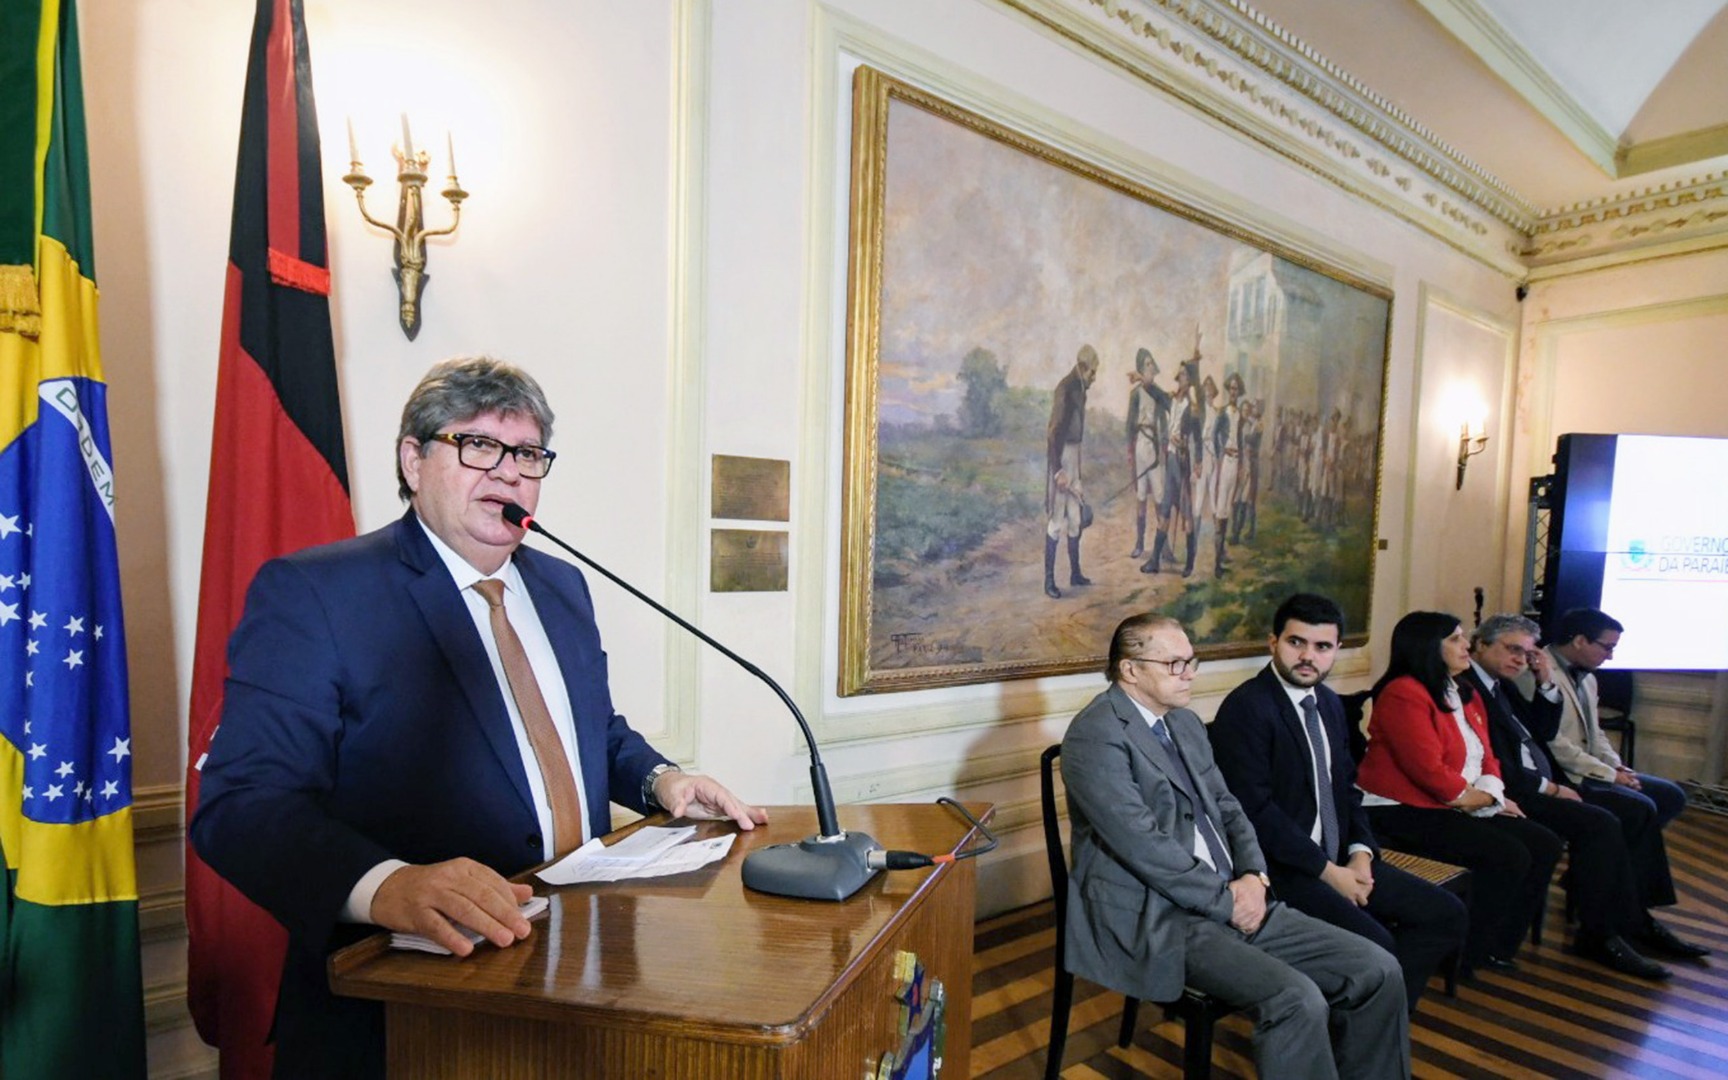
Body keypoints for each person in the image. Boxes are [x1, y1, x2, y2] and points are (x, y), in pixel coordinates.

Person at [190, 356, 767, 1077]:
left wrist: (660, 781)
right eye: (477, 446)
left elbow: (591, 727)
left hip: (574, 974)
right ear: (413, 457)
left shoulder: (561, 586)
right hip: (409, 1007)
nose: (508, 473)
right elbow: (241, 807)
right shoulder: (318, 593)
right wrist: (389, 883)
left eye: (526, 454)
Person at [1062, 613, 1409, 1080]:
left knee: (1377, 968)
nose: (1190, 673)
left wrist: (1254, 876)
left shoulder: (1183, 723)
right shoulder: (1095, 735)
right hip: (1159, 914)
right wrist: (1227, 900)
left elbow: (1229, 808)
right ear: (1130, 670)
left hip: (1235, 894)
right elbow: (1144, 846)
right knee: (1296, 997)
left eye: (1191, 661)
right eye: (1175, 664)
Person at [1210, 594, 1466, 1011]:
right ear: (1273, 642)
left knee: (1445, 914)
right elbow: (1253, 813)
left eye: (1322, 646)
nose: (1308, 657)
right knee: (1376, 944)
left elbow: (1347, 788)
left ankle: (1375, 1022)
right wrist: (1328, 872)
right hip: (1283, 869)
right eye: (1297, 643)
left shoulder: (1328, 703)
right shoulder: (1247, 708)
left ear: (1337, 651)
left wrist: (1361, 853)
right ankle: (1363, 1031)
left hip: (1340, 857)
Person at [1463, 614, 1697, 978]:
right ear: (1479, 645)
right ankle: (1606, 930)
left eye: (1526, 653)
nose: (1521, 660)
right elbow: (1513, 757)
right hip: (1513, 787)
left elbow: (1538, 732)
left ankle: (1626, 917)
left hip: (1532, 779)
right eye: (1513, 650)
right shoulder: (1470, 687)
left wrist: (1545, 686)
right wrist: (1554, 787)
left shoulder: (1501, 684)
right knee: (1608, 820)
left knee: (1645, 806)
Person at [1355, 611, 1562, 973]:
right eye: (1455, 638)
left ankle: (1498, 945)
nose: (1466, 645)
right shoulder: (1403, 692)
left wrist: (1490, 793)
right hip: (1399, 807)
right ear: (1426, 646)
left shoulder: (1464, 691)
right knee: (1507, 853)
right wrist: (1485, 801)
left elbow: (1488, 756)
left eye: (1463, 637)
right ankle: (1464, 953)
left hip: (1456, 801)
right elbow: (1428, 773)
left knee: (1544, 842)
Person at [1045, 344, 1098, 598]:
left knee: (1076, 519)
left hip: (1074, 456)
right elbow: (1053, 433)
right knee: (1057, 520)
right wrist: (1058, 471)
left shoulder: (1081, 389)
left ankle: (1075, 574)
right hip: (1061, 457)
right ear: (1082, 367)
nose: (1094, 378)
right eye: (1093, 373)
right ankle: (1049, 582)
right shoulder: (1065, 388)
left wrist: (1075, 469)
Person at [1124, 347, 1170, 563]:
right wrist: (1130, 452)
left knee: (1160, 497)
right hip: (1139, 445)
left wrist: (1165, 447)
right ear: (1142, 368)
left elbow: (1167, 413)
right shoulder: (1135, 394)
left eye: (1152, 365)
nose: (1150, 368)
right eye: (1147, 365)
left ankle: (1164, 545)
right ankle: (1140, 543)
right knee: (1141, 496)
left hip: (1154, 444)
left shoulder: (1157, 393)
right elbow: (1129, 425)